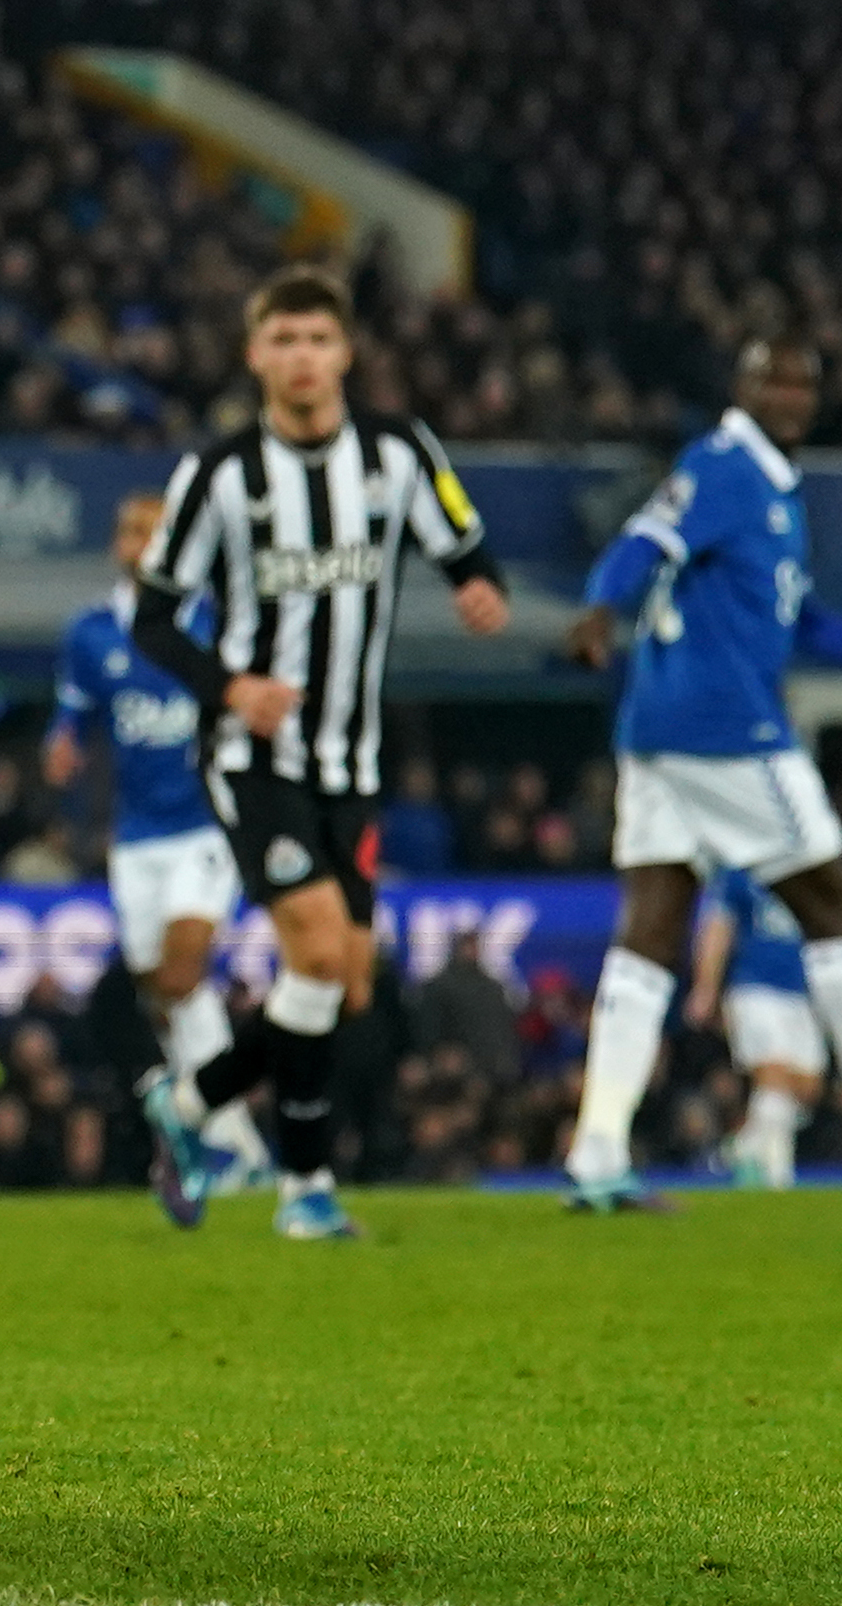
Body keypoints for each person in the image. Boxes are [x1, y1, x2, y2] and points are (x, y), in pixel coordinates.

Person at [126, 268, 509, 1240]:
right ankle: (304, 1190)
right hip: (257, 757)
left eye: (318, 340)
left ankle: (193, 1102)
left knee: (338, 982)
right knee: (317, 950)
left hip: (354, 764)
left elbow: (466, 545)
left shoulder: (397, 454)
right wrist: (231, 687)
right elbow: (156, 622)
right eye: (283, 340)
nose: (301, 358)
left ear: (346, 354)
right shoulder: (217, 476)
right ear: (255, 355)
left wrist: (478, 590)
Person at [550, 338, 842, 1215]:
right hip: (728, 729)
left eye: (802, 379)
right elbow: (644, 535)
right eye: (771, 380)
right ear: (741, 390)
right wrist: (601, 605)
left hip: (661, 734)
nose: (789, 394)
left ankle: (597, 1150)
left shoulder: (774, 491)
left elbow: (797, 617)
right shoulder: (723, 466)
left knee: (652, 930)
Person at [47, 490, 267, 1190]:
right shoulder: (90, 632)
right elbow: (72, 714)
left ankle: (223, 1139)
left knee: (182, 973)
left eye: (149, 530)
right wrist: (60, 744)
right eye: (126, 529)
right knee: (163, 995)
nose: (135, 540)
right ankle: (224, 1140)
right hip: (135, 837)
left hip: (205, 823)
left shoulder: (213, 621)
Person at [690, 866, 825, 1188]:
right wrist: (706, 987)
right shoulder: (737, 873)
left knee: (806, 1089)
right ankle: (777, 1176)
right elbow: (716, 929)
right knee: (774, 1078)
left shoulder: (805, 868)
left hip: (802, 993)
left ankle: (742, 1148)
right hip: (754, 989)